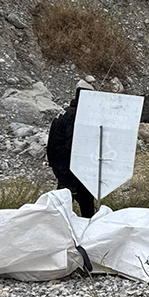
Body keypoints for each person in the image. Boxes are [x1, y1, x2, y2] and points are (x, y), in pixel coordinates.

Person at [47, 81, 97, 218]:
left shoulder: (66, 112)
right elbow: (73, 144)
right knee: (73, 202)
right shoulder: (76, 116)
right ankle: (88, 227)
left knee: (68, 200)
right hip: (70, 168)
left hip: (62, 165)